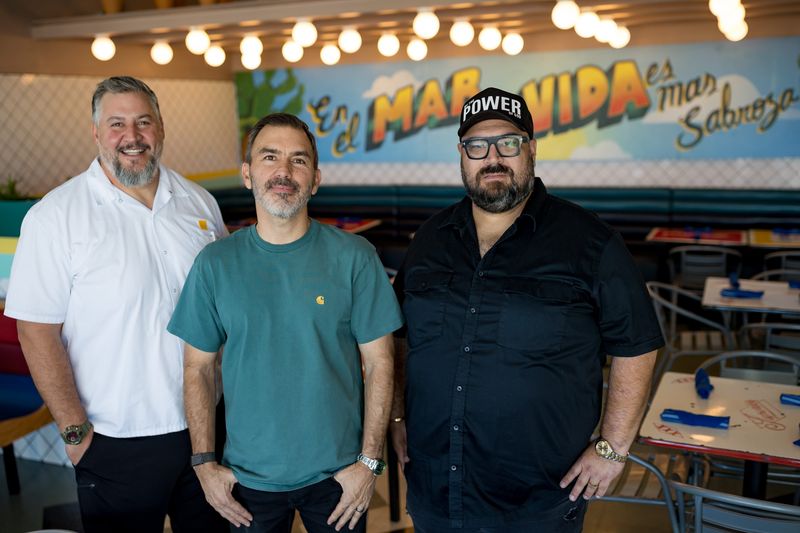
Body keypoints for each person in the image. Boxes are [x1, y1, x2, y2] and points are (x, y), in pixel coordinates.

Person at [390, 87, 664, 532]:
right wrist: (399, 414)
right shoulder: (429, 240)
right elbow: (402, 337)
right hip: (435, 491)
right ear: (462, 155)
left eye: (508, 143)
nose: (493, 158)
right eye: (477, 146)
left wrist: (613, 447)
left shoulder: (590, 241)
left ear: (531, 149)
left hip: (539, 502)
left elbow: (636, 345)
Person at [4, 76, 229, 533]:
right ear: (95, 133)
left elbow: (225, 305)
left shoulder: (199, 203)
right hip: (115, 440)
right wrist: (75, 432)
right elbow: (35, 331)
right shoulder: (55, 216)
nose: (132, 136)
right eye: (117, 124)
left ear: (160, 128)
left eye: (143, 122)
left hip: (208, 429)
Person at [167, 113, 403, 533]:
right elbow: (197, 368)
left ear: (315, 179)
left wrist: (369, 463)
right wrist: (204, 464)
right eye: (270, 157)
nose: (284, 171)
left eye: (298, 160)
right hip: (247, 479)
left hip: (340, 477)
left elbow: (381, 362)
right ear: (247, 174)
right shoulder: (215, 264)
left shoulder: (355, 257)